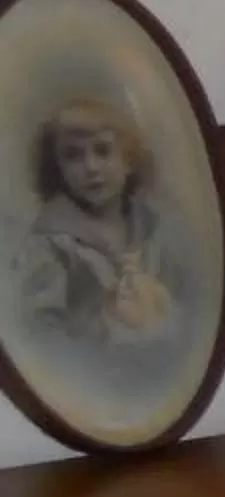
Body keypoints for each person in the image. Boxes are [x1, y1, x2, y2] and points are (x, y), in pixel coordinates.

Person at [15, 97, 177, 346]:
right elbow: (41, 333)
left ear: (129, 160)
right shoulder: (50, 242)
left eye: (102, 151)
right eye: (72, 156)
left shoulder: (151, 228)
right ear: (57, 169)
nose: (90, 167)